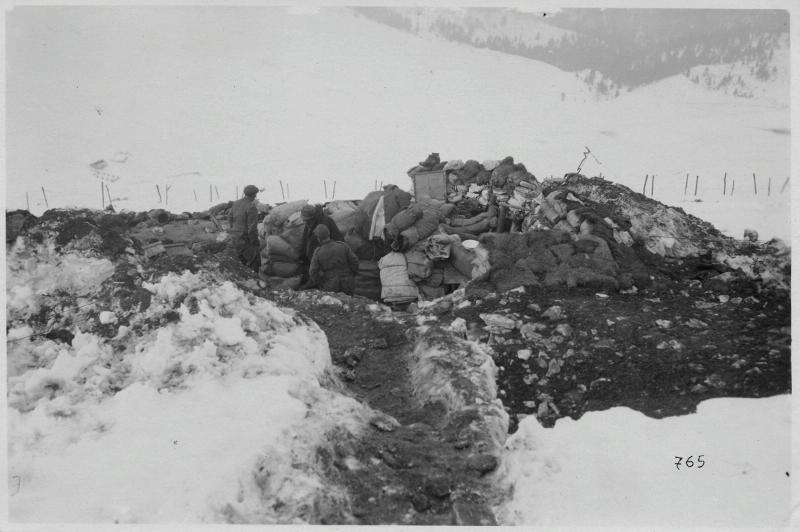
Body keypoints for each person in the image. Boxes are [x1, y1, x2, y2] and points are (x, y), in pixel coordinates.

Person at [308, 225, 358, 295]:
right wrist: (351, 274)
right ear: (329, 234)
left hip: (330, 285)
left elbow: (312, 272)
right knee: (349, 304)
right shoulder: (343, 246)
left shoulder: (318, 252)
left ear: (318, 238)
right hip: (348, 283)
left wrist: (321, 283)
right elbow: (355, 261)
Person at [299, 203, 343, 282]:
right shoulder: (309, 223)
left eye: (306, 220)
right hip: (317, 259)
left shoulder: (324, 222)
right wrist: (302, 257)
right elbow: (305, 240)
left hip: (328, 258)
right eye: (304, 220)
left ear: (312, 217)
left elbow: (329, 243)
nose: (304, 222)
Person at [227, 185, 261, 271]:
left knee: (241, 263)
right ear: (253, 195)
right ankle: (254, 281)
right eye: (255, 194)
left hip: (235, 239)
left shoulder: (236, 203)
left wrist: (234, 230)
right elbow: (252, 228)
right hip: (245, 240)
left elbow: (229, 218)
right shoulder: (251, 207)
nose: (256, 196)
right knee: (255, 262)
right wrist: (255, 242)